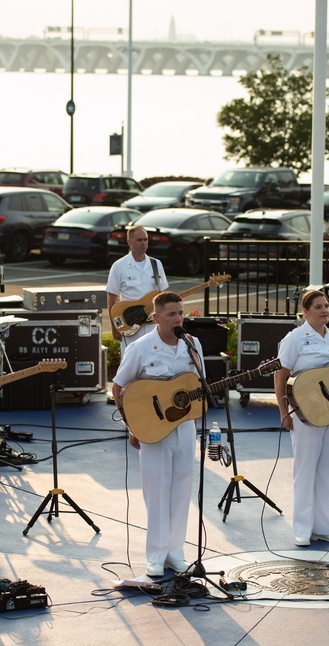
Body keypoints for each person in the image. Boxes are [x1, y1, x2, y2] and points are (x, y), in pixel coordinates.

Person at [111, 292, 202, 577]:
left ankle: (176, 553)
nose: (178, 319)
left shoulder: (192, 344)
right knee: (156, 493)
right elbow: (119, 388)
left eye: (181, 313)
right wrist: (132, 425)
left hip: (185, 428)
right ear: (156, 317)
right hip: (152, 431)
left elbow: (200, 385)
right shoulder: (140, 348)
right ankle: (155, 555)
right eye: (171, 314)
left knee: (181, 491)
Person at [274, 289, 329, 547]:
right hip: (305, 411)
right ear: (305, 312)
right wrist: (284, 411)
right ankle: (303, 528)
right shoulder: (295, 338)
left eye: (326, 306)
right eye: (318, 307)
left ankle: (323, 526)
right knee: (305, 469)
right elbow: (281, 375)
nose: (324, 310)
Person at [106, 226, 169, 357]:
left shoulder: (156, 265)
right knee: (131, 366)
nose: (143, 243)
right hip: (131, 328)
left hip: (153, 327)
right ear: (129, 241)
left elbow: (164, 297)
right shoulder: (119, 266)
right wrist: (114, 328)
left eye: (145, 240)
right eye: (139, 240)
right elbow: (112, 300)